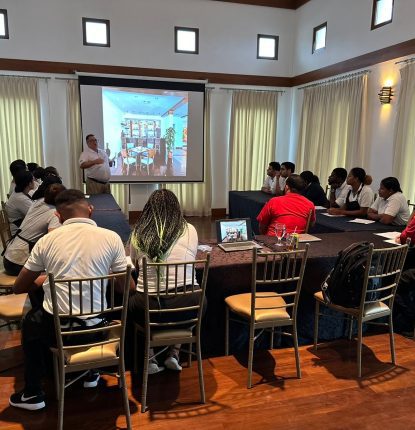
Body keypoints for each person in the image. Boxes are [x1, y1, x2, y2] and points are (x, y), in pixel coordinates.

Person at [9, 189, 134, 411]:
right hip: (98, 330)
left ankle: (33, 393)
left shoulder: (47, 241)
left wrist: (46, 279)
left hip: (58, 334)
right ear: (91, 210)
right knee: (95, 308)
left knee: (31, 321)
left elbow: (19, 286)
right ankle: (92, 373)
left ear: (57, 216)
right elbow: (128, 289)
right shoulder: (112, 238)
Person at [128, 189, 202, 374]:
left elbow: (135, 265)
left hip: (151, 309)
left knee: (132, 301)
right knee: (185, 294)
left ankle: (150, 358)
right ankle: (173, 354)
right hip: (190, 306)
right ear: (177, 208)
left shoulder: (139, 232)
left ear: (148, 209)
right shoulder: (190, 229)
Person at [3, 184, 65, 276]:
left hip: (9, 257)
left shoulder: (39, 202)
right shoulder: (54, 214)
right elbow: (52, 241)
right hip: (19, 263)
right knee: (58, 271)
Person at [5, 171, 35, 235]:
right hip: (19, 233)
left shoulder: (20, 193)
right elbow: (35, 213)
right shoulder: (20, 198)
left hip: (23, 227)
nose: (34, 182)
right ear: (29, 183)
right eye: (33, 180)